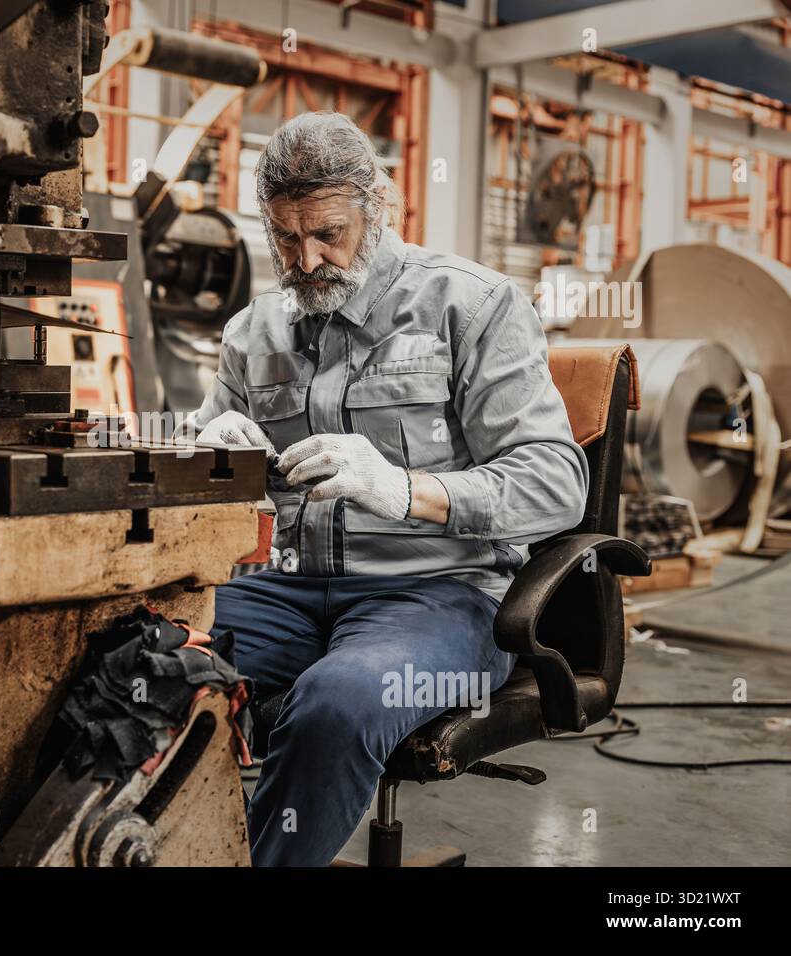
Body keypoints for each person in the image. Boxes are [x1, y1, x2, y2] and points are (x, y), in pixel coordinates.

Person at [183, 111, 588, 866]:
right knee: (141, 657)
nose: (306, 260)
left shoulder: (474, 306)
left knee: (334, 704)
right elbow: (206, 454)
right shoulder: (253, 332)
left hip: (440, 597)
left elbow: (555, 482)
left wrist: (405, 490)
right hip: (288, 589)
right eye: (286, 238)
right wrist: (206, 452)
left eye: (329, 235)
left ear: (381, 209)